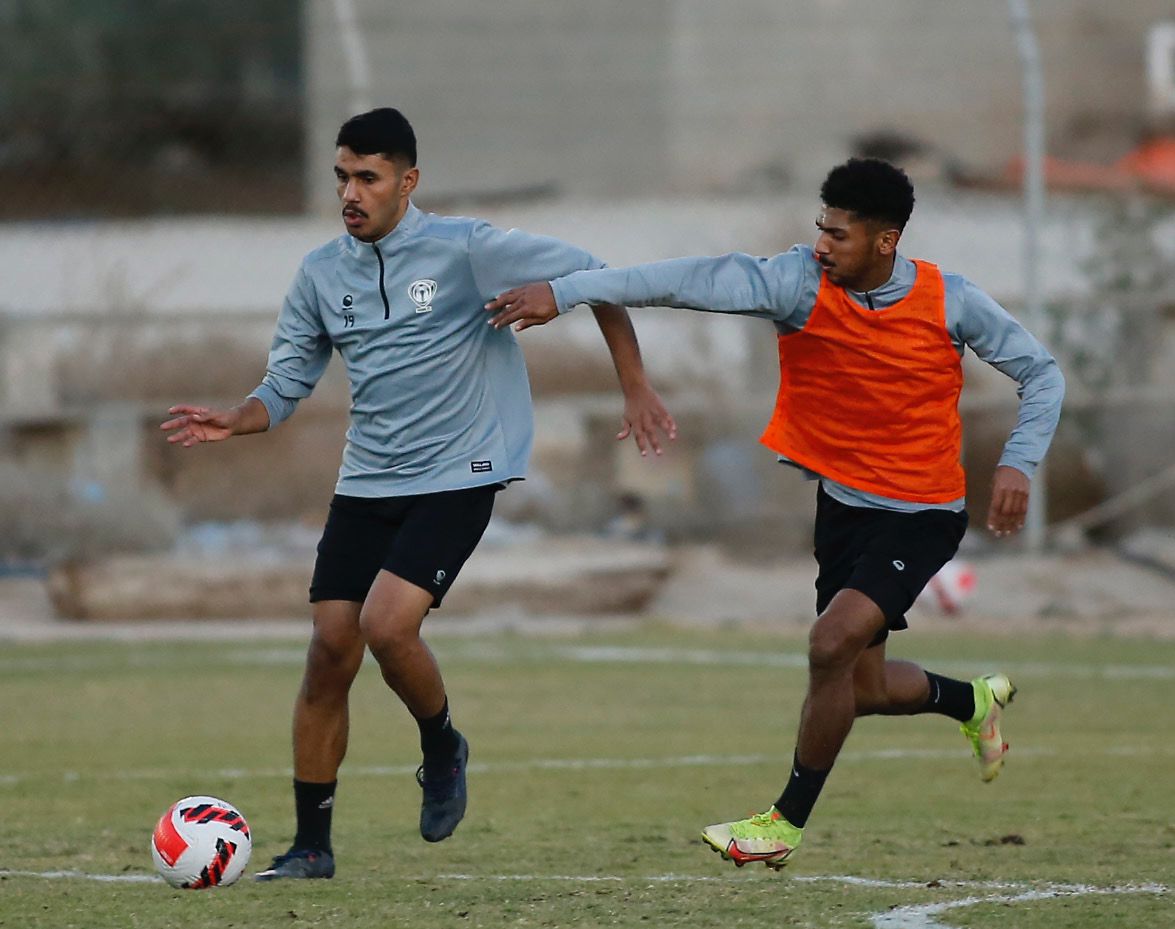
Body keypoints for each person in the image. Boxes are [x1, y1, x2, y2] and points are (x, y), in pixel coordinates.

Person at [485, 157, 1065, 869]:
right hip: (844, 510)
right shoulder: (795, 283)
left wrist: (1017, 460)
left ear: (885, 242)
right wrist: (566, 292)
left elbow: (1041, 372)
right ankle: (972, 701)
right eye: (818, 229)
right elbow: (680, 280)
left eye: (839, 235)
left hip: (920, 513)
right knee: (864, 686)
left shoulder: (951, 300)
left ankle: (782, 825)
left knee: (829, 644)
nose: (821, 245)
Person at [161, 107, 675, 881]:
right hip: (368, 480)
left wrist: (633, 385)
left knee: (385, 625)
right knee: (330, 649)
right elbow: (287, 381)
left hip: (462, 471)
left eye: (367, 177)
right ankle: (310, 846)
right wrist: (238, 417)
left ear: (408, 182)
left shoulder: (468, 249)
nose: (350, 193)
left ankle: (441, 743)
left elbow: (599, 278)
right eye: (341, 176)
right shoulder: (319, 273)